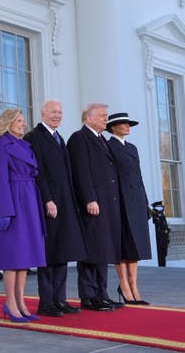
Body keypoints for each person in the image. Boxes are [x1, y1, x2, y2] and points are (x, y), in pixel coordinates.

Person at [24, 100, 87, 317]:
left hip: (66, 203)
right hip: (49, 204)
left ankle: (60, 300)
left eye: (60, 112)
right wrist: (47, 200)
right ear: (42, 113)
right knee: (49, 254)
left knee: (63, 252)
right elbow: (37, 172)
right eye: (53, 112)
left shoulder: (59, 138)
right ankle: (46, 302)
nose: (57, 115)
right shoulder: (34, 137)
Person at [0, 109, 46, 323]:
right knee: (12, 257)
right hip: (14, 202)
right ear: (8, 123)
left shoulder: (26, 146)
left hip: (30, 199)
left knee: (25, 257)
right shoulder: (1, 147)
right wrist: (5, 211)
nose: (24, 124)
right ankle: (10, 303)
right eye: (19, 121)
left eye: (24, 121)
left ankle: (21, 302)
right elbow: (0, 181)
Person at [67, 104, 122, 311]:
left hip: (107, 204)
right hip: (92, 204)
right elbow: (81, 172)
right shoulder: (79, 139)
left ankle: (102, 294)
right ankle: (89, 297)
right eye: (102, 116)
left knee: (104, 250)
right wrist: (89, 198)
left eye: (106, 115)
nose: (106, 119)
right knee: (92, 251)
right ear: (88, 119)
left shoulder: (101, 140)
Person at [106, 112, 152, 305]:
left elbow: (138, 176)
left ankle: (134, 287)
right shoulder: (109, 146)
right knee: (122, 245)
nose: (127, 126)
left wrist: (145, 201)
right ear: (113, 127)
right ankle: (124, 286)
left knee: (135, 247)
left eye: (128, 124)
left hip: (137, 200)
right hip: (121, 200)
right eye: (123, 124)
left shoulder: (132, 147)